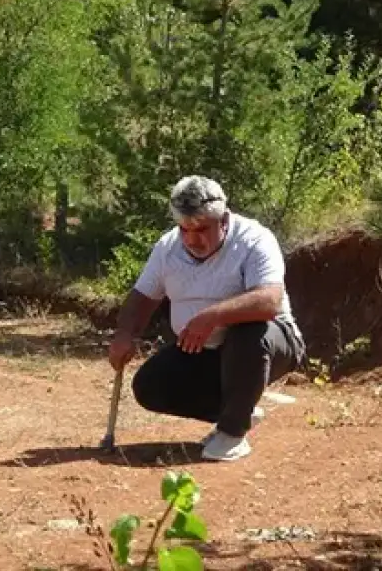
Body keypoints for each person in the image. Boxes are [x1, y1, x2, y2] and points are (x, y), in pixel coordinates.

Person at [107, 175, 306, 461]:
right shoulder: (168, 247)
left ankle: (232, 433)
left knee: (247, 332)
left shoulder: (254, 240)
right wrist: (125, 333)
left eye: (201, 229)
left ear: (223, 220)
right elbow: (142, 297)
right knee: (150, 385)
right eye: (184, 229)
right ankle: (239, 409)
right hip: (204, 351)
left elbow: (269, 301)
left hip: (270, 343)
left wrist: (212, 317)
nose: (191, 239)